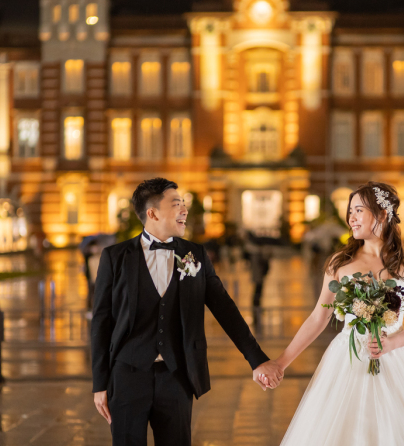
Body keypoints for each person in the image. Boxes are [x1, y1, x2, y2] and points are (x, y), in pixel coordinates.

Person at [91, 178, 283, 446]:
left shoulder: (196, 255)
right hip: (127, 376)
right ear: (153, 213)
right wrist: (100, 384)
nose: (184, 210)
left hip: (177, 375)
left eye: (184, 204)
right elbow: (101, 322)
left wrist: (257, 359)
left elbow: (225, 309)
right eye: (176, 204)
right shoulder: (115, 257)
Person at [274, 182, 404, 445]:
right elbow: (318, 317)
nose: (351, 218)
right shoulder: (339, 264)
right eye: (350, 212)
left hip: (397, 358)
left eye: (358, 210)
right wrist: (281, 363)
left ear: (382, 215)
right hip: (347, 358)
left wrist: (392, 343)